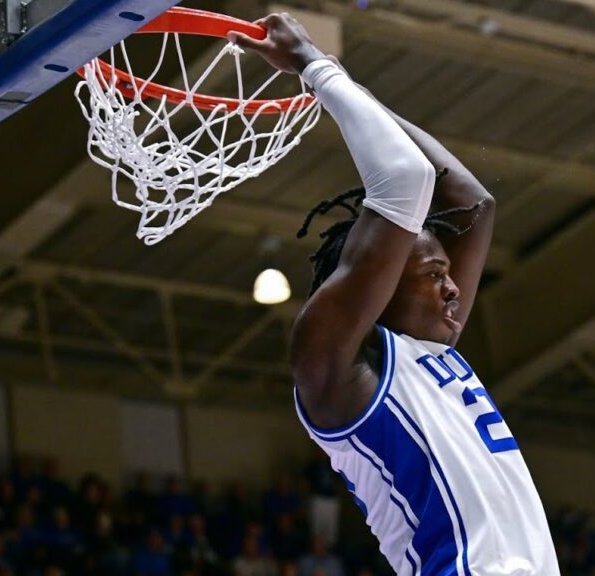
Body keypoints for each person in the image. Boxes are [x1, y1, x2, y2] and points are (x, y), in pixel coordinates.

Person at [229, 13, 559, 576]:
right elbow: (406, 178)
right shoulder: (336, 367)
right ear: (378, 289)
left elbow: (472, 202)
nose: (455, 285)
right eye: (434, 273)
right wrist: (313, 65)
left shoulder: (434, 349)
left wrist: (345, 89)